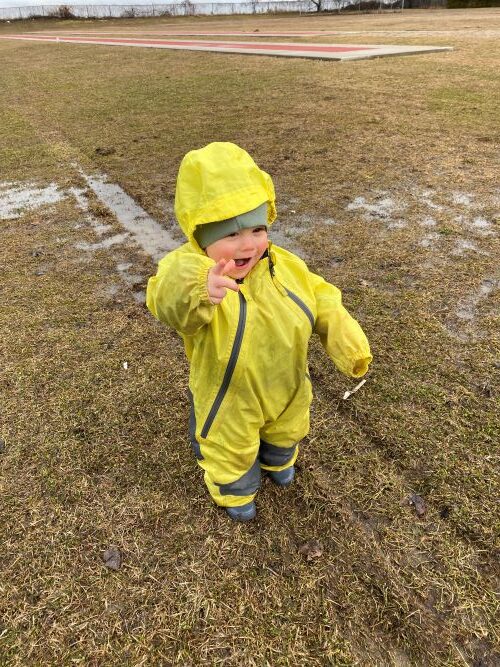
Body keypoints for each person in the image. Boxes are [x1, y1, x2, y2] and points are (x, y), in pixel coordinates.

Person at [146, 142, 372, 522]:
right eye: (230, 234)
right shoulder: (194, 271)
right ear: (202, 238)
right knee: (229, 446)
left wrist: (345, 338)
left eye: (256, 228)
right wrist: (201, 288)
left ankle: (279, 459)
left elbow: (320, 297)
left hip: (286, 382)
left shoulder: (283, 265)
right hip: (228, 394)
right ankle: (236, 493)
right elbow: (164, 295)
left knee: (288, 428)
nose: (247, 244)